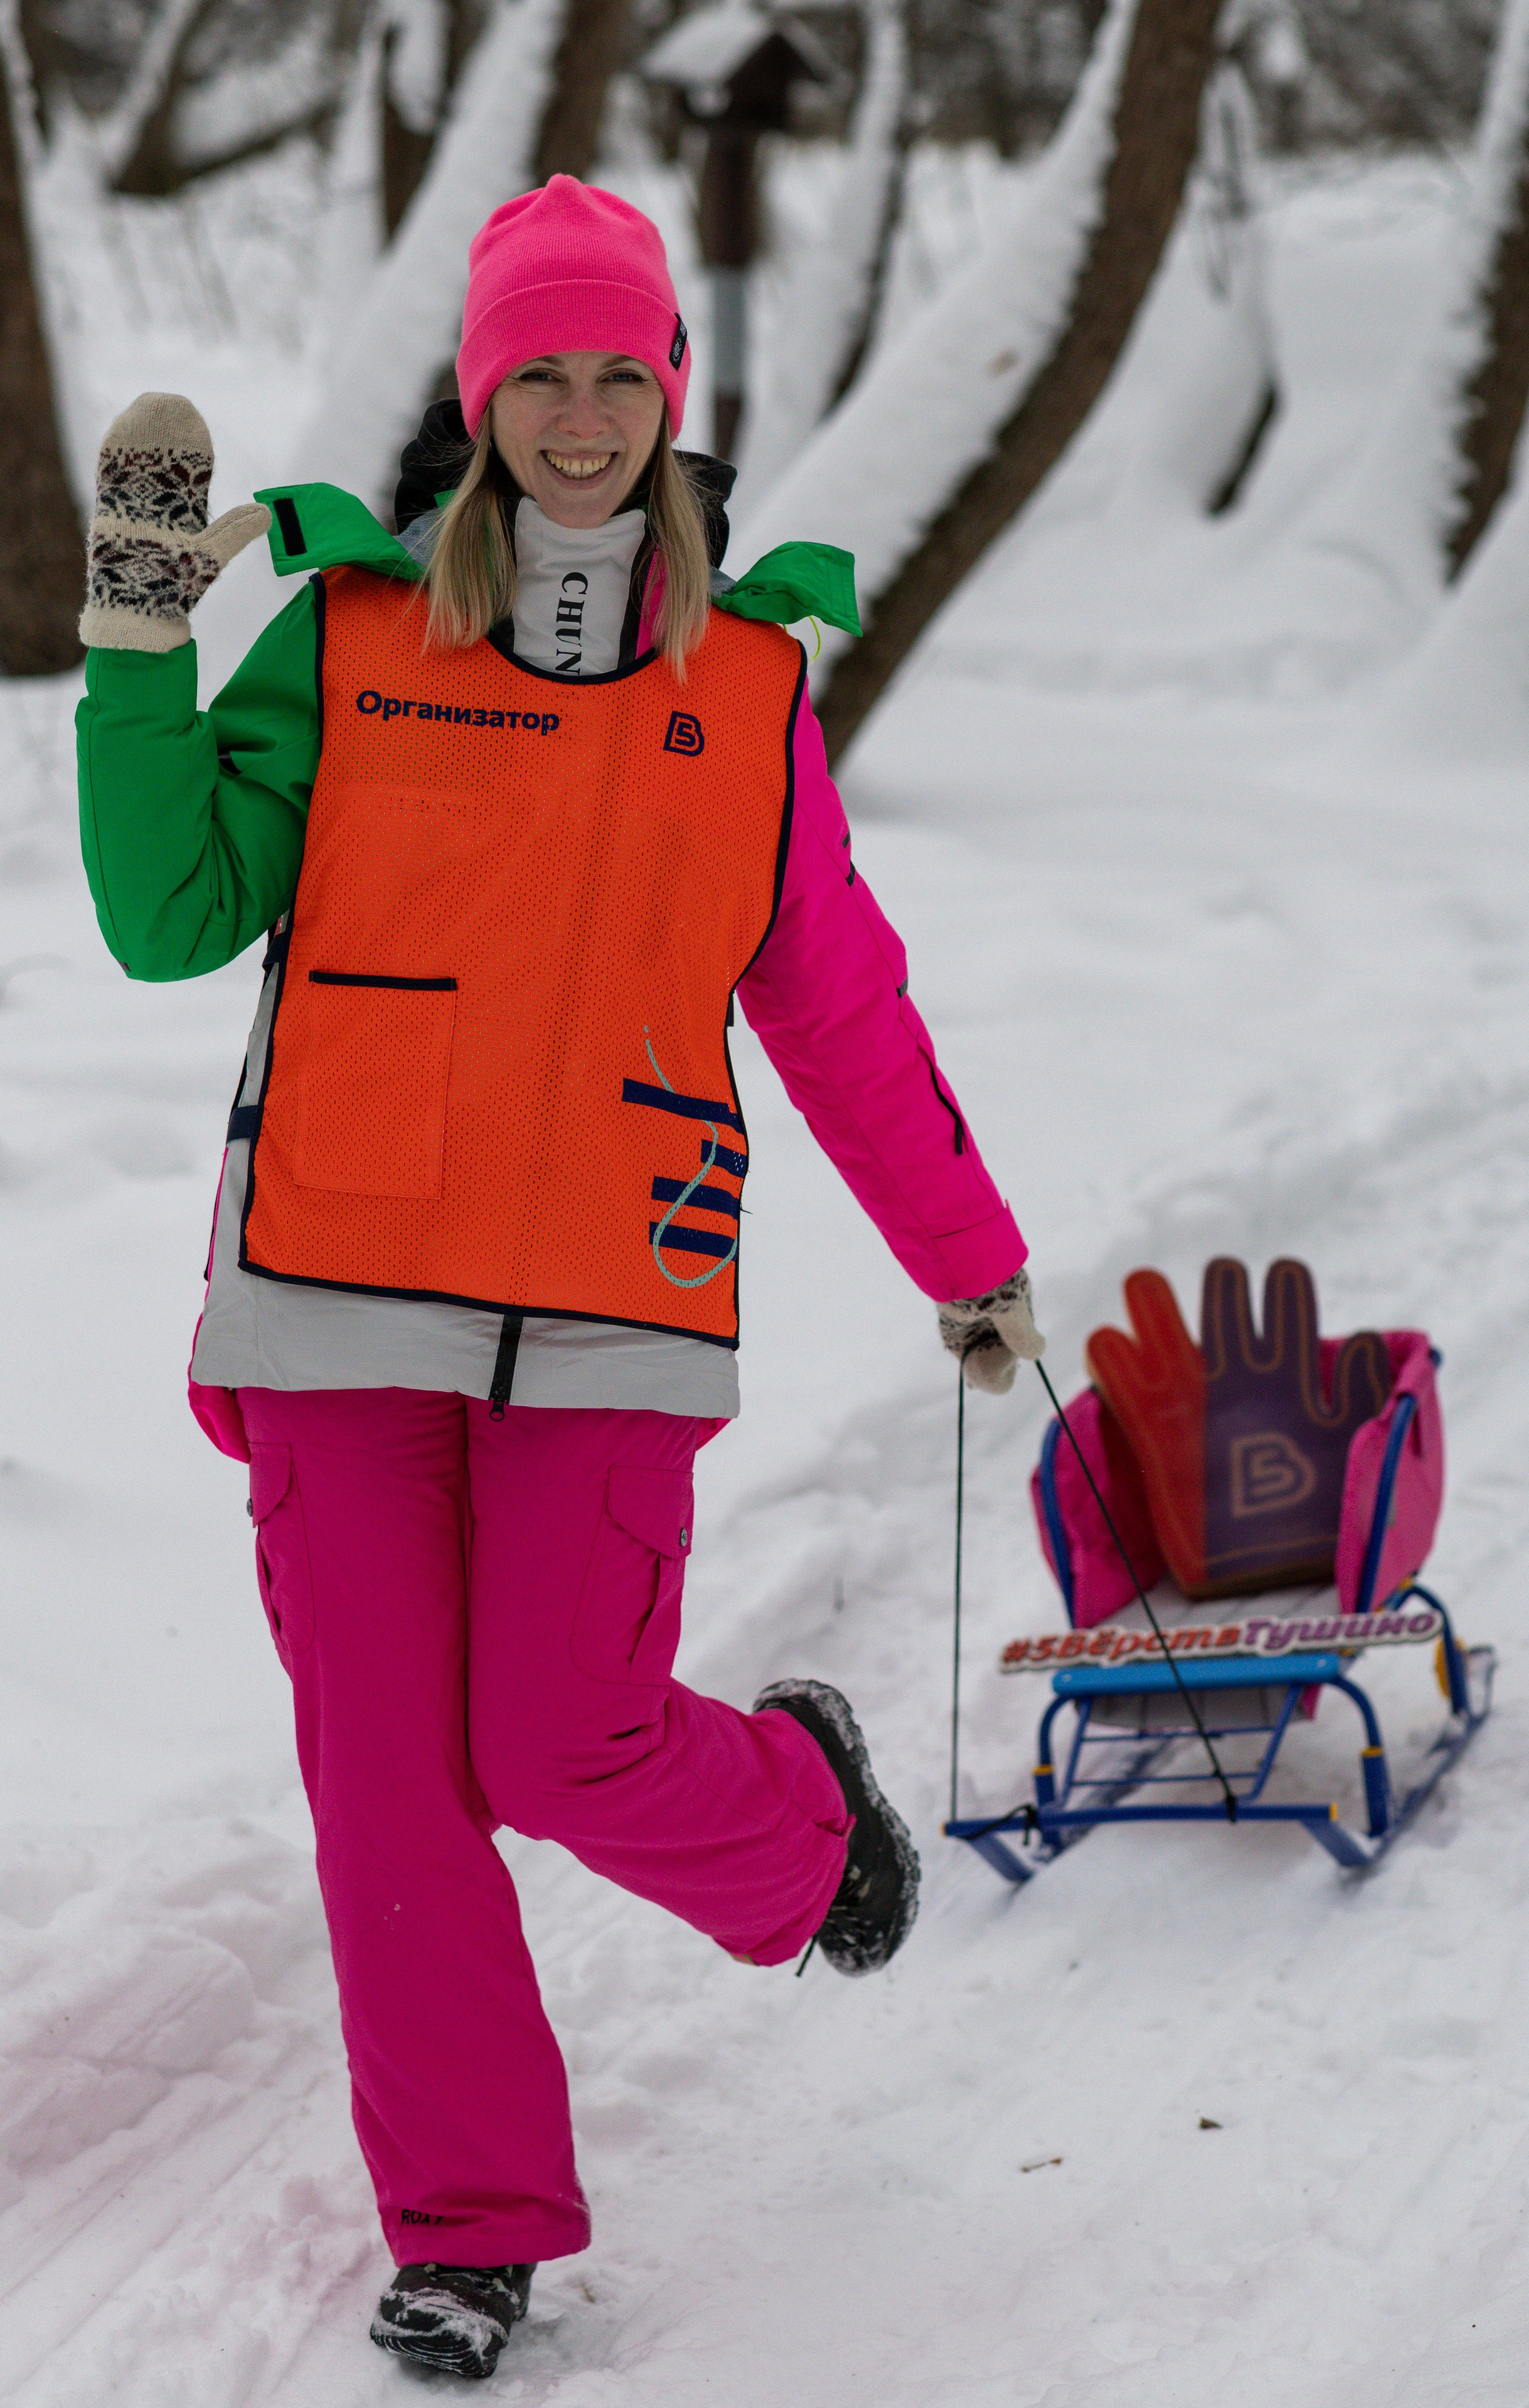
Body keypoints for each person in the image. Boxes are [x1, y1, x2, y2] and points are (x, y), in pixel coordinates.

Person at [75, 178, 1043, 2382]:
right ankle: (473, 2226)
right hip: (331, 1299)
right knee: (389, 1790)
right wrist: (140, 657)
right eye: (543, 374)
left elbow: (841, 1010)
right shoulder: (345, 631)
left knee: (566, 1736)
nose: (584, 413)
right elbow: (168, 914)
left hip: (613, 1301)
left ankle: (801, 1832)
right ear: (482, 395)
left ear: (673, 396)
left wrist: (967, 1261)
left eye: (623, 371)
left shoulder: (745, 685)